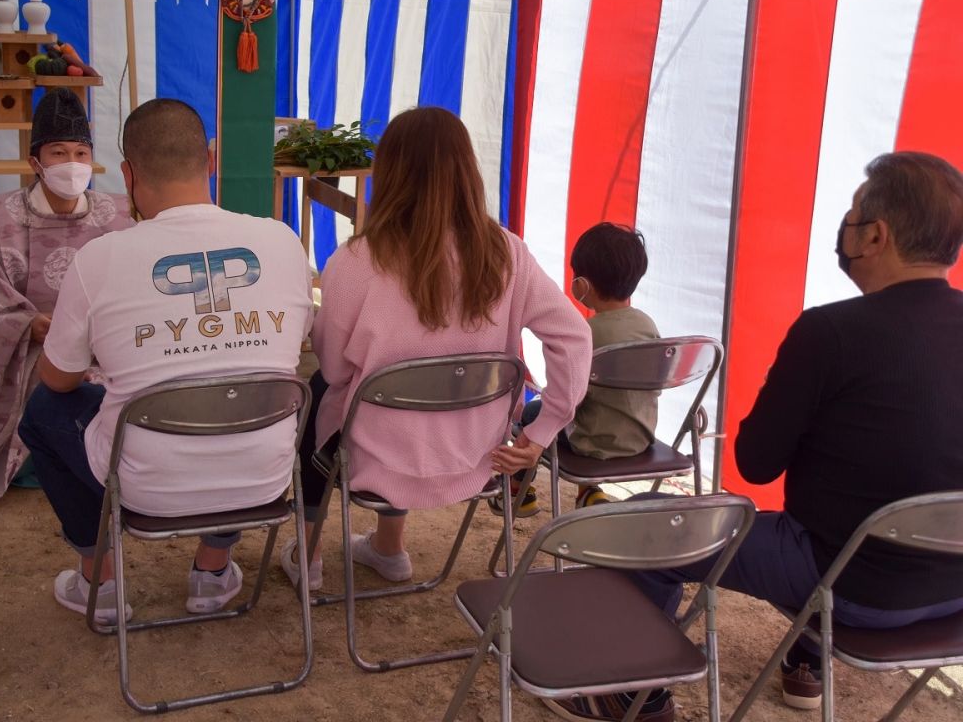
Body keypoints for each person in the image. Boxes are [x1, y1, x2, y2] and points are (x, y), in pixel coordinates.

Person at [548, 152, 963, 722]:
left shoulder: (830, 332)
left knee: (646, 521)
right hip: (953, 591)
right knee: (852, 520)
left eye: (850, 217)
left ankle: (630, 696)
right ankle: (806, 659)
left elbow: (756, 462)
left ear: (875, 236)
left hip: (845, 583)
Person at [17, 99, 313, 624]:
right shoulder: (284, 241)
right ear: (211, 163)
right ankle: (213, 572)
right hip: (264, 476)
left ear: (128, 174)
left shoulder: (101, 257)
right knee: (239, 392)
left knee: (43, 411)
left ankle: (100, 583)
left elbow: (57, 379)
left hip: (145, 483)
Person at [279, 107, 592, 592]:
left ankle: (311, 553)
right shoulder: (508, 253)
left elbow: (337, 367)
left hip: (377, 458)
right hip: (476, 454)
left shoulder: (354, 260)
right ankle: (388, 547)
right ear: (468, 170)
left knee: (321, 394)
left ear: (390, 174)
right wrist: (543, 430)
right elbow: (574, 337)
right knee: (385, 389)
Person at [0, 88, 132, 511]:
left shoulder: (116, 216)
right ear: (35, 163)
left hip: (105, 347)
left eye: (81, 153)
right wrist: (28, 324)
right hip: (27, 351)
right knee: (49, 388)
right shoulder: (1, 223)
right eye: (59, 153)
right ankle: (29, 462)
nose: (72, 164)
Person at [496, 223, 660, 516]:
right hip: (640, 438)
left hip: (591, 443)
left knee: (535, 413)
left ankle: (518, 489)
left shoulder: (584, 333)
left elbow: (570, 396)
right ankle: (589, 492)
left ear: (581, 286)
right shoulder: (647, 326)